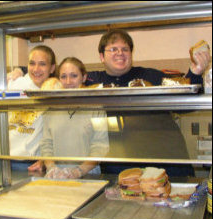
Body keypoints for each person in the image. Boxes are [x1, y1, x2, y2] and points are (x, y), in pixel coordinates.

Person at [85, 29, 211, 177]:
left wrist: (195, 72)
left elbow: (185, 105)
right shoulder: (92, 80)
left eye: (125, 49)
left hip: (165, 163)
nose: (120, 53)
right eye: (113, 49)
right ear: (101, 56)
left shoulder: (151, 76)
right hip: (118, 164)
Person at [0, 45, 56, 171]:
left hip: (28, 164)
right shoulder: (13, 85)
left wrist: (43, 161)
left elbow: (54, 134)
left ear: (52, 68)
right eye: (32, 63)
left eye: (42, 64)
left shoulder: (55, 92)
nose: (36, 69)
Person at [37, 57, 109, 179]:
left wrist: (78, 171)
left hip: (88, 176)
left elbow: (100, 147)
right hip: (57, 176)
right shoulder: (51, 109)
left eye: (74, 76)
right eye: (63, 77)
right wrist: (51, 168)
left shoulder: (96, 108)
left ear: (84, 78)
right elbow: (46, 144)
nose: (68, 81)